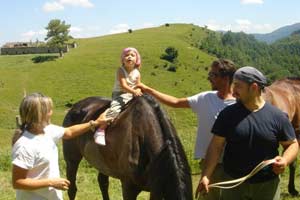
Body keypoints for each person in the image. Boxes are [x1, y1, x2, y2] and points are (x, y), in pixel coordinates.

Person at [138, 59, 237, 200]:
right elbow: (176, 102)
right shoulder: (205, 98)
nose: (209, 78)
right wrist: (147, 89)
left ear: (226, 78)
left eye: (213, 75)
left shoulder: (239, 104)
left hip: (233, 164)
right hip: (208, 163)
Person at [196, 66, 299, 200]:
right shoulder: (227, 115)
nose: (233, 93)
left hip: (267, 186)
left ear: (254, 87)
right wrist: (206, 175)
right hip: (233, 185)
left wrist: (285, 160)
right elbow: (215, 146)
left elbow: (292, 144)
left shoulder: (278, 117)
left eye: (238, 86)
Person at [12, 92, 110, 200]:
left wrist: (95, 123)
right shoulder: (25, 146)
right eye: (49, 110)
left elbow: (69, 132)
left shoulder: (48, 130)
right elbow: (18, 182)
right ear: (40, 114)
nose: (52, 112)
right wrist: (51, 182)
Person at [94, 47, 143, 145]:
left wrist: (138, 90)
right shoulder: (120, 70)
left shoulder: (137, 72)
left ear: (136, 59)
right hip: (120, 94)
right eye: (126, 55)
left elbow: (139, 85)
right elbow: (123, 86)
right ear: (123, 59)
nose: (129, 57)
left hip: (132, 94)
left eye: (132, 55)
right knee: (115, 108)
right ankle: (100, 129)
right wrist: (134, 91)